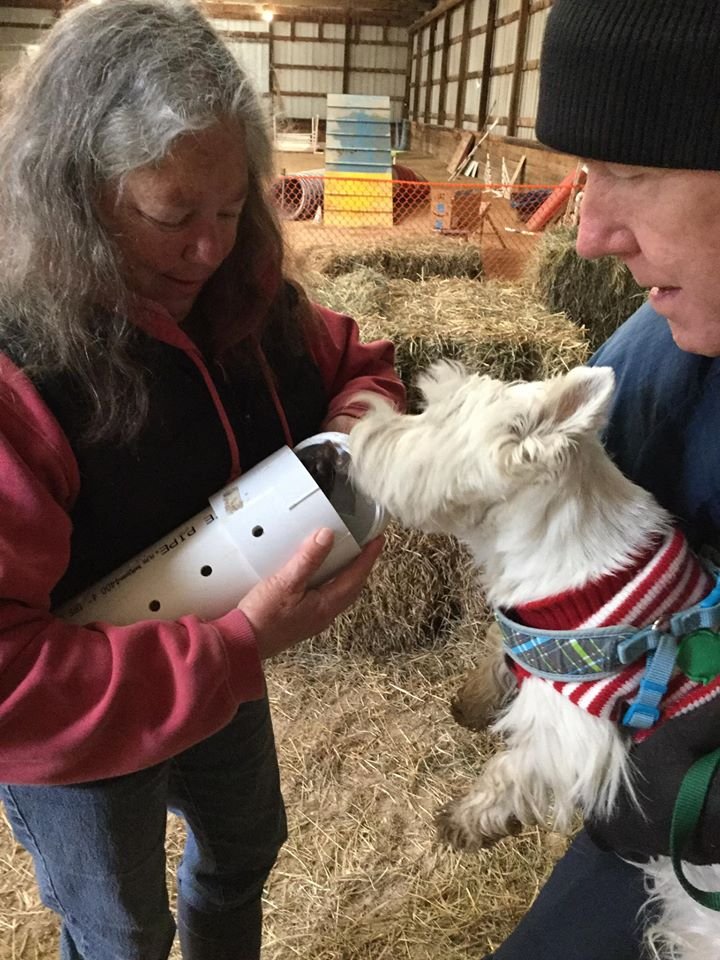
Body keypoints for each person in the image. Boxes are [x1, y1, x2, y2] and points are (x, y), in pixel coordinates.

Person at [0, 1, 405, 957]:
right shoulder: (22, 371)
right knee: (122, 926)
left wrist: (353, 442)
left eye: (231, 209)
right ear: (75, 197)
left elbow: (361, 365)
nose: (209, 247)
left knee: (245, 849)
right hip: (89, 714)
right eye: (172, 214)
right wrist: (230, 650)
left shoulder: (242, 296)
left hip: (220, 656)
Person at [484, 1, 720, 957]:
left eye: (632, 170)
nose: (589, 234)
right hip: (659, 814)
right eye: (584, 176)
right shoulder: (659, 356)